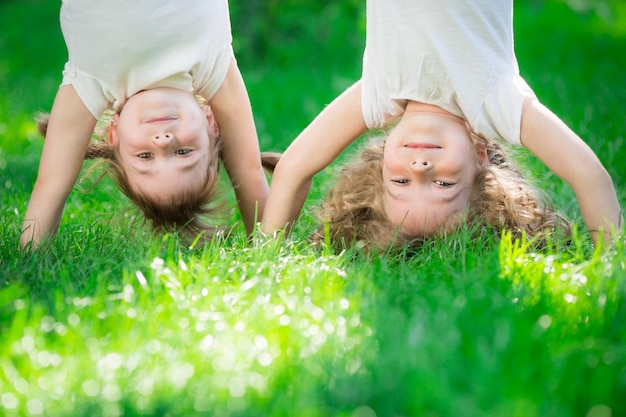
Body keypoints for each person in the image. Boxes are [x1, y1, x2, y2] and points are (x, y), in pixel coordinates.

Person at [262, 0, 622, 250]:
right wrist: (610, 266)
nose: (419, 168)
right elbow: (589, 175)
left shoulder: (380, 94)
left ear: (384, 156)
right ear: (481, 157)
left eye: (401, 182)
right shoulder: (494, 101)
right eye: (443, 183)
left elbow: (293, 168)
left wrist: (266, 256)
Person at [20, 0, 274, 249]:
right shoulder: (212, 67)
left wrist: (29, 259)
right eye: (183, 152)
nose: (163, 142)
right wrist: (268, 252)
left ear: (115, 134)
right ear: (210, 124)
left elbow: (51, 185)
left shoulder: (91, 84)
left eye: (145, 156)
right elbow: (249, 171)